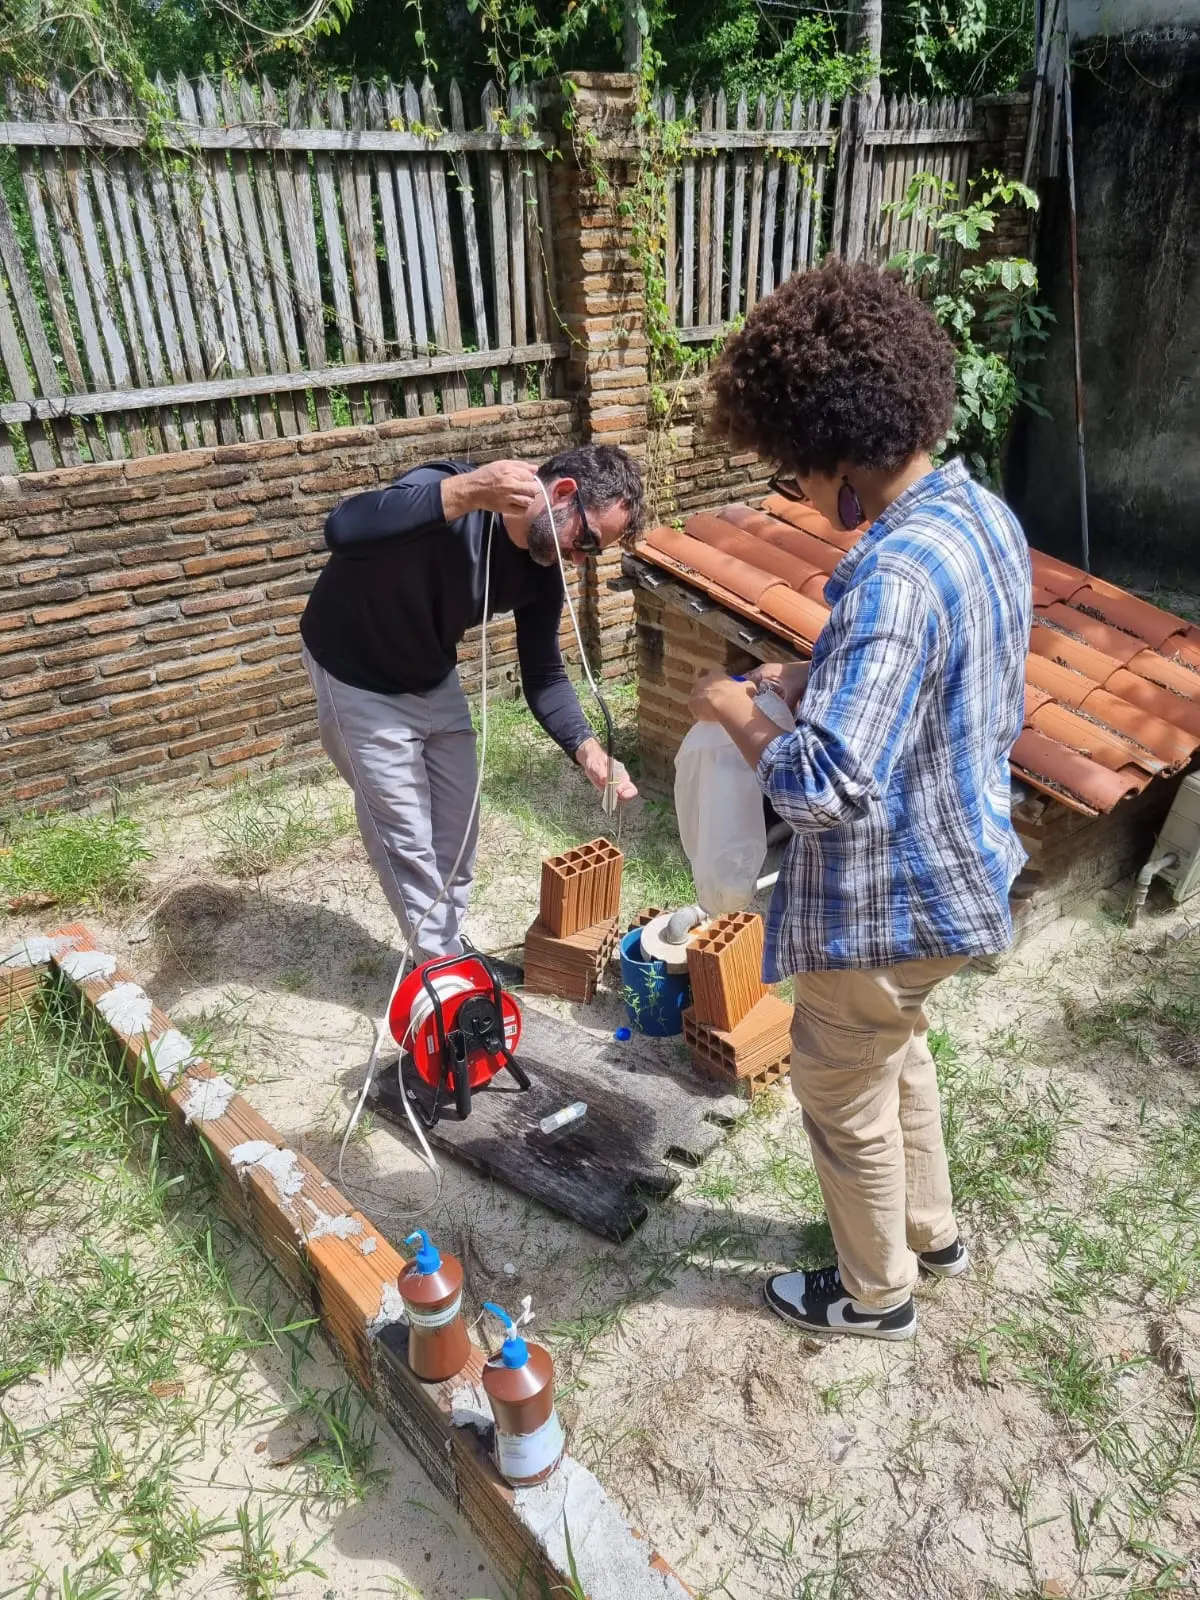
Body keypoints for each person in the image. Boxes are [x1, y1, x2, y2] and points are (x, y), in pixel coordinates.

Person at [688, 261, 1031, 1341]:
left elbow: (821, 787)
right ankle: (932, 1230)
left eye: (791, 472)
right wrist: (811, 673)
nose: (796, 493)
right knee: (897, 1050)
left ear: (835, 456)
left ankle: (875, 1293)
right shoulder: (977, 516)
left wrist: (733, 709)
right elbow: (937, 669)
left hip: (889, 905)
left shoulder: (890, 581)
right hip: (963, 872)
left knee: (840, 1094)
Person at [300, 445, 643, 961]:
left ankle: (446, 942)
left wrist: (590, 751)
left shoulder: (541, 568)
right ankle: (444, 971)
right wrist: (468, 492)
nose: (578, 559)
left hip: (431, 674)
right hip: (357, 676)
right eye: (586, 541)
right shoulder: (450, 492)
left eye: (590, 554)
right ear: (564, 493)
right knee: (406, 839)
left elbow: (545, 673)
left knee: (458, 833)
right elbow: (343, 529)